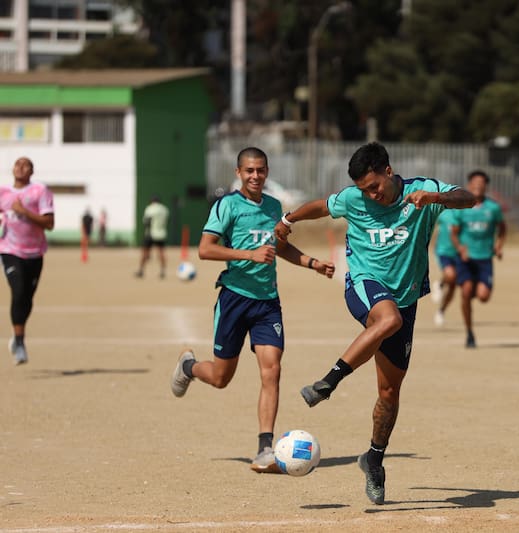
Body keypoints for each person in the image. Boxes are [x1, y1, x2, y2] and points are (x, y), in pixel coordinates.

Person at [273, 142, 475, 504]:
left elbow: (468, 197)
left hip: (406, 296)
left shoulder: (421, 191)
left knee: (389, 392)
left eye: (374, 186)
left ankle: (374, 459)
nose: (371, 194)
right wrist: (289, 220)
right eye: (364, 189)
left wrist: (434, 198)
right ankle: (328, 382)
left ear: (388, 171)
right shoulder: (354, 199)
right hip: (365, 284)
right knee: (388, 318)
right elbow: (323, 206)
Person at [169, 147, 335, 473]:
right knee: (220, 378)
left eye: (260, 170)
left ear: (267, 170)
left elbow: (280, 247)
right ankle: (189, 367)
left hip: (267, 303)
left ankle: (264, 449)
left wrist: (312, 263)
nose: (256, 176)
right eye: (249, 171)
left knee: (271, 370)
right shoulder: (227, 206)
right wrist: (249, 255)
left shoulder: (274, 207)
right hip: (234, 298)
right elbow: (205, 250)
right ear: (238, 173)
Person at [0, 157, 55, 365]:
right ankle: (20, 343)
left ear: (32, 170)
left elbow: (49, 223)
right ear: (12, 169)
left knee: (27, 299)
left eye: (26, 165)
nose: (21, 167)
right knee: (19, 290)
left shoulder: (40, 191)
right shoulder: (3, 192)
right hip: (9, 250)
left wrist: (24, 212)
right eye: (17, 164)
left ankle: (17, 335)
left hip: (34, 252)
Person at [450, 170, 506, 348]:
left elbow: (503, 228)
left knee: (483, 296)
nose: (478, 186)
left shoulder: (493, 208)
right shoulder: (462, 208)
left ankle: (473, 287)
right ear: (469, 185)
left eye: (481, 183)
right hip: (466, 259)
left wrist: (499, 245)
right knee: (466, 292)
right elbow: (454, 233)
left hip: (484, 258)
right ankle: (469, 332)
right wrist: (460, 248)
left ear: (485, 186)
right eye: (475, 183)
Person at [430, 208, 459, 327]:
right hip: (443, 251)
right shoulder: (444, 213)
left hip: (459, 253)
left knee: (452, 286)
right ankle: (440, 284)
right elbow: (435, 228)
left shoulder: (466, 212)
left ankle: (441, 311)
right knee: (451, 275)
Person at [135, 196, 169, 279]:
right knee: (161, 252)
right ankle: (163, 271)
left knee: (145, 252)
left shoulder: (150, 209)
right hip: (161, 233)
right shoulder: (165, 209)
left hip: (151, 233)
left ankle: (141, 270)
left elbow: (147, 221)